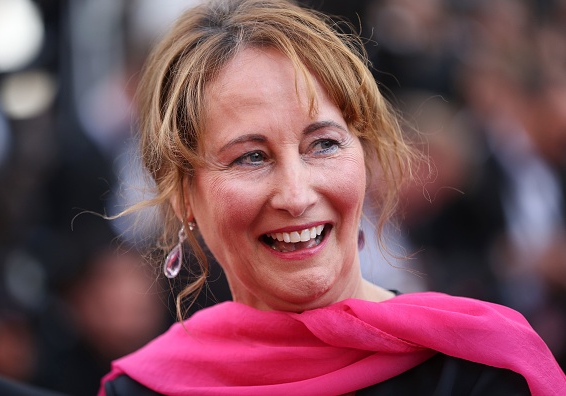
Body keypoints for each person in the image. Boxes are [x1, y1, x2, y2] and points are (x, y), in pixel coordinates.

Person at [99, 0, 566, 395]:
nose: (297, 195)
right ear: (183, 193)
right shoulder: (143, 388)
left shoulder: (479, 369)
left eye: (322, 145)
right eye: (250, 157)